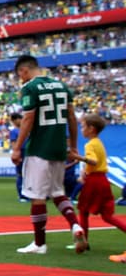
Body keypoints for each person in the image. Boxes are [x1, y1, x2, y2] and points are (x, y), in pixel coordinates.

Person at [12, 56, 87, 255]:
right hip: (58, 148)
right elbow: (72, 118)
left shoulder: (30, 88)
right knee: (58, 192)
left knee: (37, 196)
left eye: (20, 75)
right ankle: (75, 226)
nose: (20, 79)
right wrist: (73, 146)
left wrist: (17, 148)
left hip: (39, 148)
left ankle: (39, 243)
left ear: (24, 70)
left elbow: (28, 118)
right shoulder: (62, 86)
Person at [69, 114, 126, 260]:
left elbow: (93, 161)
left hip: (94, 181)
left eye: (83, 126)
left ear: (91, 129)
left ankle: (84, 242)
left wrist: (78, 157)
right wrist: (84, 171)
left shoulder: (90, 145)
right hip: (103, 180)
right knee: (107, 216)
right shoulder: (98, 143)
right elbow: (97, 162)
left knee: (83, 211)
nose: (82, 129)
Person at [8, 112, 26, 201]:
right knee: (21, 174)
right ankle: (21, 195)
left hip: (28, 152)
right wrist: (17, 152)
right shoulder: (14, 131)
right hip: (21, 152)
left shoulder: (26, 129)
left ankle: (27, 194)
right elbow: (13, 143)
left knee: (28, 174)